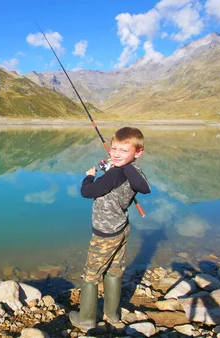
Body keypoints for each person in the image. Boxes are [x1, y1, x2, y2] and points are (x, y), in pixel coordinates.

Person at [69, 126, 151, 332]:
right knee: (114, 269)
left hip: (105, 233)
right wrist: (118, 165)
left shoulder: (113, 176)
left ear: (138, 152)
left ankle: (86, 319)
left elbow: (88, 191)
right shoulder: (135, 171)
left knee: (91, 274)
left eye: (123, 151)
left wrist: (89, 176)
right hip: (122, 228)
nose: (115, 154)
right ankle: (113, 314)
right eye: (114, 149)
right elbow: (142, 186)